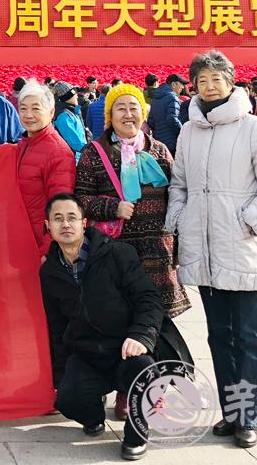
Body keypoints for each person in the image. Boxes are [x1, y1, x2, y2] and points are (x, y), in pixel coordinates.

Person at [165, 51, 257, 449]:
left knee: (249, 336)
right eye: (202, 80)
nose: (209, 86)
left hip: (242, 246)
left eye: (216, 79)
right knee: (219, 336)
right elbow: (179, 184)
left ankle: (249, 416)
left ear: (231, 83)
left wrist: (251, 220)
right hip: (205, 249)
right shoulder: (189, 131)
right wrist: (179, 218)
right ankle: (231, 411)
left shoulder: (252, 128)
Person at [39, 193, 162, 462]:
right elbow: (57, 328)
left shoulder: (117, 254)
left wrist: (141, 336)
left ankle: (137, 435)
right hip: (87, 354)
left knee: (144, 372)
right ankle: (94, 415)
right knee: (67, 399)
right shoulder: (49, 272)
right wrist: (61, 377)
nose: (65, 224)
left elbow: (149, 299)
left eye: (72, 217)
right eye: (58, 219)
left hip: (125, 349)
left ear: (84, 223)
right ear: (48, 226)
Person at [75, 84, 189, 320]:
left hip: (158, 253)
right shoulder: (94, 152)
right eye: (120, 108)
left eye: (133, 107)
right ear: (110, 115)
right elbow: (81, 199)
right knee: (120, 320)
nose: (128, 114)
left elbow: (178, 195)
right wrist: (112, 208)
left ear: (143, 113)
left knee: (158, 323)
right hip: (116, 253)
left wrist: (178, 246)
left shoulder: (159, 150)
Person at [14, 82, 75, 255]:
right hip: (21, 238)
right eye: (23, 109)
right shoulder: (22, 145)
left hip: (40, 244)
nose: (28, 115)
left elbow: (61, 208)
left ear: (51, 112)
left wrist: (48, 251)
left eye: (36, 108)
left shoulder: (58, 152)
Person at [147, 74, 186, 155]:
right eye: (181, 84)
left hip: (158, 142)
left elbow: (150, 121)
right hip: (172, 141)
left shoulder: (155, 99)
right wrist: (183, 131)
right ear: (173, 84)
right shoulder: (173, 98)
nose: (183, 87)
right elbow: (172, 119)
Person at [51, 81, 88, 160]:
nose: (77, 96)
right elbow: (75, 142)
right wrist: (89, 151)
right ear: (67, 97)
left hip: (78, 157)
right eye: (74, 94)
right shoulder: (63, 116)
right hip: (72, 159)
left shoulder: (72, 111)